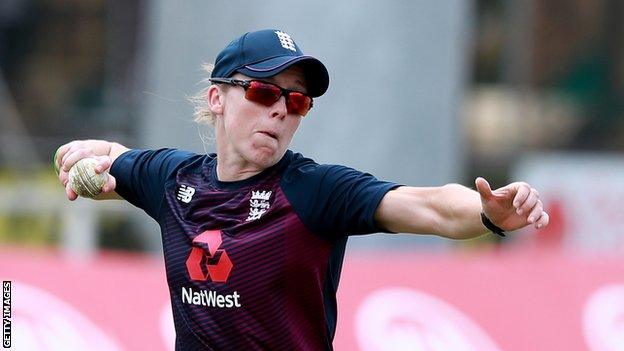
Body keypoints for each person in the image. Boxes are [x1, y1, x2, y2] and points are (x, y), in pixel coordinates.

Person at [54, 29, 549, 350]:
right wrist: (83, 155)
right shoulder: (172, 179)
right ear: (217, 99)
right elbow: (114, 165)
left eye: (297, 102)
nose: (280, 111)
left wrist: (487, 213)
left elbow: (430, 206)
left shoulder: (314, 191)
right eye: (265, 92)